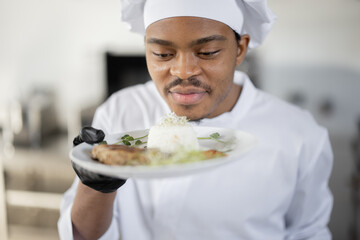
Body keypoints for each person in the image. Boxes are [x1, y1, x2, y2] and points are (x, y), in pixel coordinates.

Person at [58, 0, 334, 239]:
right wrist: (94, 185)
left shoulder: (299, 135)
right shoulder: (120, 111)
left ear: (240, 49)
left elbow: (309, 233)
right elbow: (84, 236)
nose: (183, 71)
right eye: (163, 54)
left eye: (207, 52)